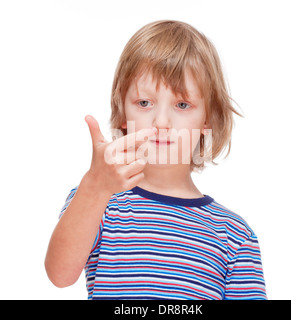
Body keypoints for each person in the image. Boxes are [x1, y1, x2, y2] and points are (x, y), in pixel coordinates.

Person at [45, 20, 267, 300]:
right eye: (144, 103)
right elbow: (59, 275)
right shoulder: (98, 201)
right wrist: (93, 186)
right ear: (122, 111)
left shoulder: (234, 235)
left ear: (208, 118)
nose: (161, 122)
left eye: (182, 105)